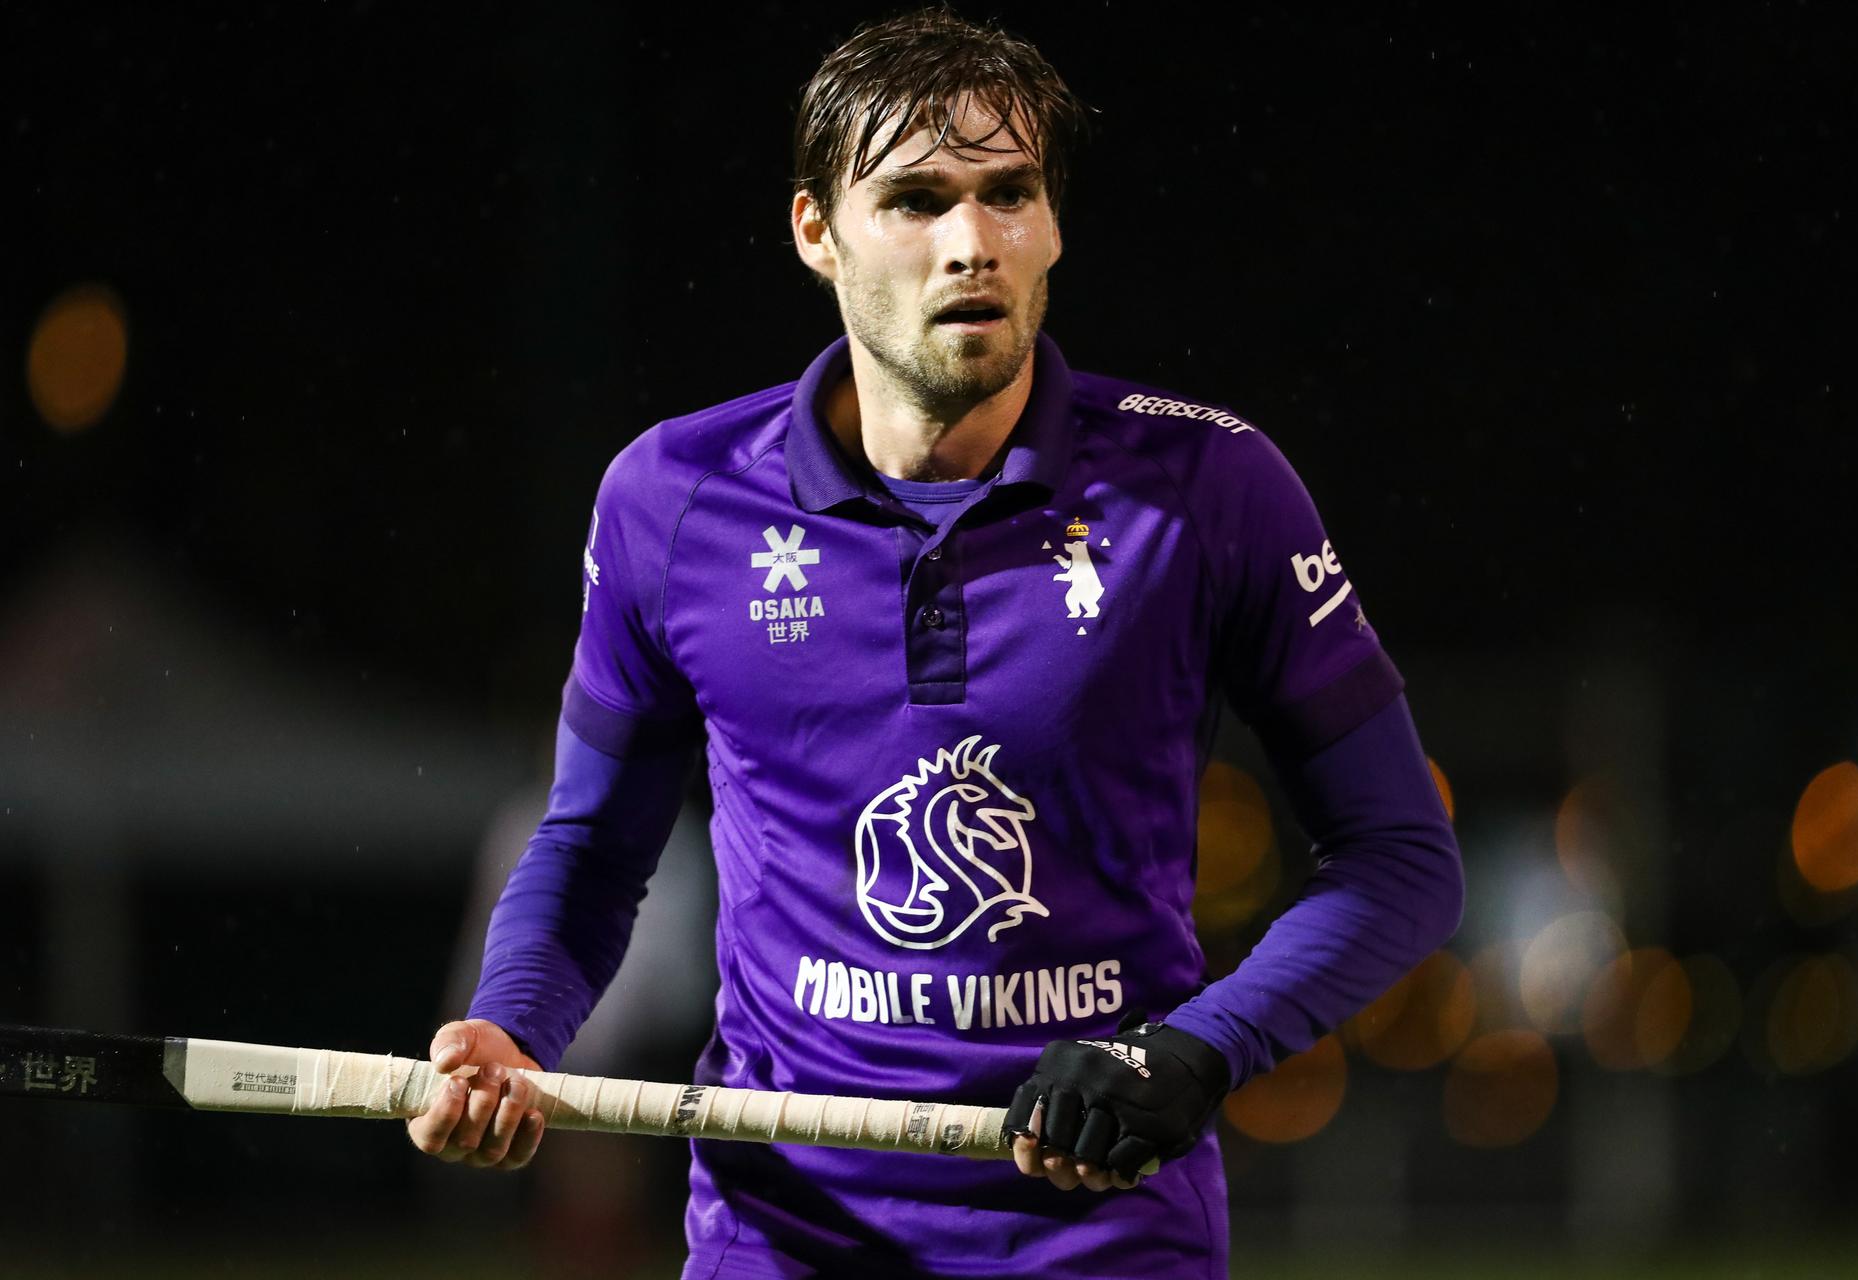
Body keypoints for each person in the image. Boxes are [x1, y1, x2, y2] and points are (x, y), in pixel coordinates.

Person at [407, 8, 1465, 1278]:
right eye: (914, 199)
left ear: (1055, 224)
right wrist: (511, 1027)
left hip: (1108, 1239)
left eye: (1008, 192)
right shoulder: (671, 501)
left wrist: (1187, 1049)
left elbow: (1401, 857)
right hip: (780, 1237)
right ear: (816, 232)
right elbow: (589, 844)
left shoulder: (1211, 486)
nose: (973, 243)